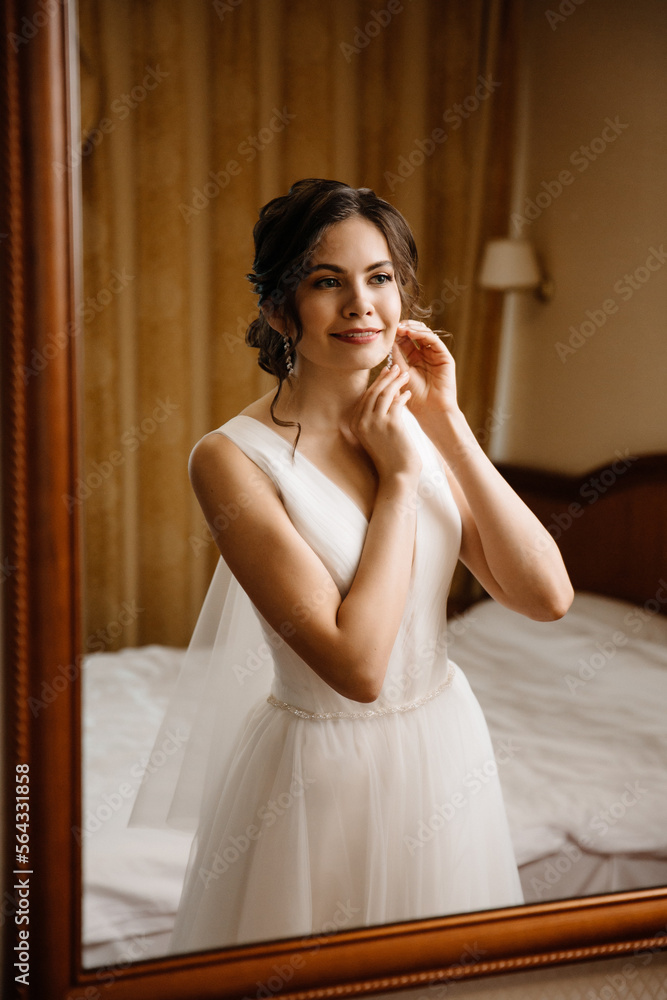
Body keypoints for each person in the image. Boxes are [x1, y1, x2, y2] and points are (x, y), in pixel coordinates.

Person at [132, 178, 573, 952]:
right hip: (319, 777)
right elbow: (358, 669)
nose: (360, 305)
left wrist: (446, 421)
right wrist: (401, 480)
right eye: (325, 282)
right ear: (278, 310)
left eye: (379, 279)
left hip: (444, 747)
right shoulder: (231, 460)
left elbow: (546, 597)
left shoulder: (416, 424)